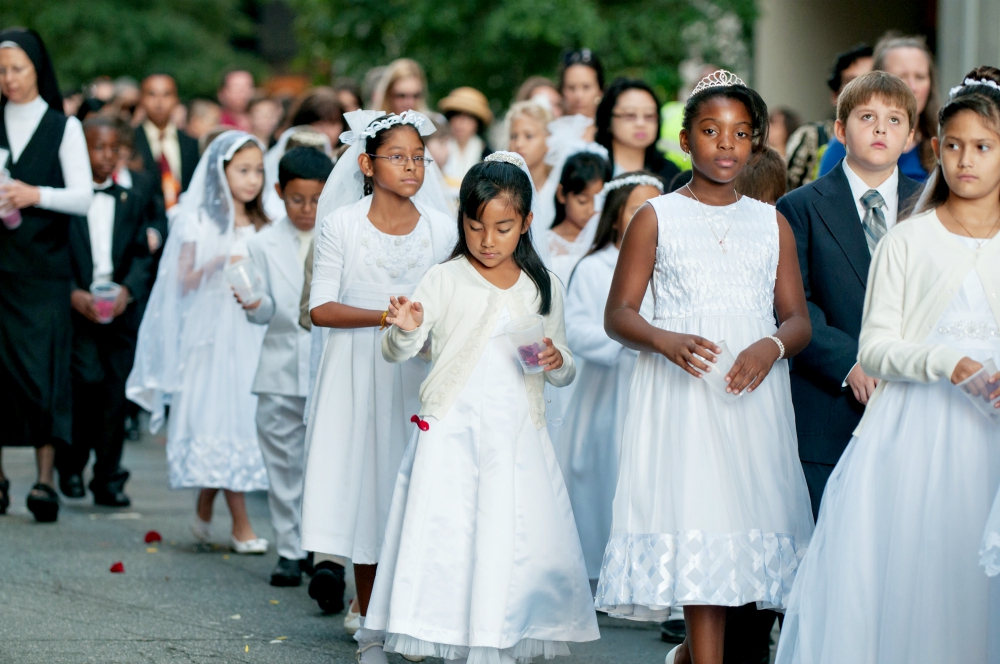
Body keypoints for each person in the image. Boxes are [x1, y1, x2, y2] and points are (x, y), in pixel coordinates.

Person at [775, 67, 1000, 664]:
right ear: (935, 149)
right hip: (920, 431)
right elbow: (873, 344)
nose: (965, 160)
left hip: (993, 432)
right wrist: (948, 363)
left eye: (982, 147)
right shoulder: (909, 238)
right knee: (919, 574)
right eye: (953, 146)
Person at [594, 70, 814, 664]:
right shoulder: (656, 217)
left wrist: (770, 346)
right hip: (685, 394)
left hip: (751, 397)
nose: (726, 144)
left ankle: (690, 658)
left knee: (738, 533)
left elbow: (797, 320)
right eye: (711, 131)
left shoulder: (772, 223)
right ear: (686, 139)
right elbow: (618, 314)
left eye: (741, 134)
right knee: (699, 523)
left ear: (756, 143)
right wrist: (665, 339)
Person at [366, 152, 599, 664]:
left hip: (517, 431)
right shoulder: (444, 278)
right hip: (453, 429)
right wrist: (403, 329)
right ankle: (429, 625)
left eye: (502, 227)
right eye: (475, 227)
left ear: (527, 224)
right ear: (462, 223)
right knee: (447, 531)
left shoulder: (543, 287)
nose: (487, 240)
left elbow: (562, 370)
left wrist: (557, 360)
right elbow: (398, 350)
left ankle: (497, 635)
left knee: (508, 534)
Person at [299, 110, 455, 659]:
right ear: (367, 163)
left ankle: (412, 617)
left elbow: (450, 298)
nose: (412, 166)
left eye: (419, 157)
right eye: (398, 156)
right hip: (356, 370)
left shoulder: (441, 227)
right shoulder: (343, 223)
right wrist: (384, 318)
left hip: (416, 370)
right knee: (368, 485)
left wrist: (425, 328)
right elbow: (320, 307)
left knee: (413, 488)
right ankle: (369, 620)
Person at [777, 71, 923, 517]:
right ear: (841, 129)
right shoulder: (799, 206)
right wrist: (849, 362)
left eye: (895, 120)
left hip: (917, 403)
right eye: (867, 117)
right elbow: (794, 302)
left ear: (912, 137)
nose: (881, 129)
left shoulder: (931, 208)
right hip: (829, 408)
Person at [126, 131, 270, 553]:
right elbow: (180, 280)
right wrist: (217, 261)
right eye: (242, 171)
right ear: (220, 172)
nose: (252, 180)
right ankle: (241, 525)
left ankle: (207, 500)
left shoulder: (265, 222)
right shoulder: (198, 220)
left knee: (243, 418)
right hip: (211, 334)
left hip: (251, 329)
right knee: (220, 418)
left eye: (258, 171)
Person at [0, 29, 94, 522]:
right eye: (2, 71)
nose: (9, 79)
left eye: (17, 69)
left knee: (44, 373)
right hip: (1, 268)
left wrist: (35, 195)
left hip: (43, 272)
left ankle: (43, 478)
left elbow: (83, 196)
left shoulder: (63, 127)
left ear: (37, 69)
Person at [559, 171, 661, 586]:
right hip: (609, 387)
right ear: (617, 217)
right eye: (637, 208)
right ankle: (599, 567)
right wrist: (624, 339)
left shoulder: (669, 260)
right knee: (604, 475)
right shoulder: (595, 267)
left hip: (655, 383)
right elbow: (578, 327)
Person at [239, 147, 333, 586]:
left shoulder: (338, 235)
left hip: (326, 367)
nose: (307, 209)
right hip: (279, 367)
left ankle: (322, 546)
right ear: (279, 193)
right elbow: (262, 309)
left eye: (316, 199)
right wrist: (255, 304)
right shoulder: (260, 243)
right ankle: (289, 549)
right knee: (283, 464)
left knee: (325, 463)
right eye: (297, 200)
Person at [57, 116, 154, 507]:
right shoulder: (65, 192)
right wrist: (70, 293)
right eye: (98, 147)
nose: (107, 156)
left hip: (120, 309)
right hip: (78, 307)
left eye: (116, 148)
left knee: (116, 392)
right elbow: (49, 250)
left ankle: (108, 476)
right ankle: (71, 463)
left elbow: (143, 251)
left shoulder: (138, 189)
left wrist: (128, 290)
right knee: (86, 384)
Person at [819, 34, 937, 182]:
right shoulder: (846, 143)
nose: (912, 87)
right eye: (901, 77)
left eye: (920, 77)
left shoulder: (944, 145)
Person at [785, 44, 873, 191]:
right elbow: (785, 198)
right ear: (835, 96)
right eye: (853, 83)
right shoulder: (811, 137)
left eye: (871, 82)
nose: (864, 92)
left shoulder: (897, 140)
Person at [133, 74, 200, 215]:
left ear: (176, 99)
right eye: (152, 94)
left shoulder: (192, 144)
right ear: (141, 99)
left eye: (167, 94)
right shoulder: (131, 142)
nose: (159, 102)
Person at [595, 77, 681, 184]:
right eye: (630, 115)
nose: (641, 124)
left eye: (649, 116)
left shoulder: (671, 174)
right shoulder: (592, 167)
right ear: (608, 119)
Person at [546, 150, 611, 284]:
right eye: (582, 201)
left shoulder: (607, 242)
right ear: (561, 194)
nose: (591, 210)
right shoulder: (544, 243)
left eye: (599, 201)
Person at [438, 86, 494, 183]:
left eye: (468, 118)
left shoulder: (488, 155)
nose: (460, 123)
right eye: (457, 115)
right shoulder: (437, 148)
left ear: (477, 123)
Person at [559, 49, 603, 140]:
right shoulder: (551, 132)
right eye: (571, 87)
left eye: (586, 87)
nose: (578, 95)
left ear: (600, 91)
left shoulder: (611, 133)